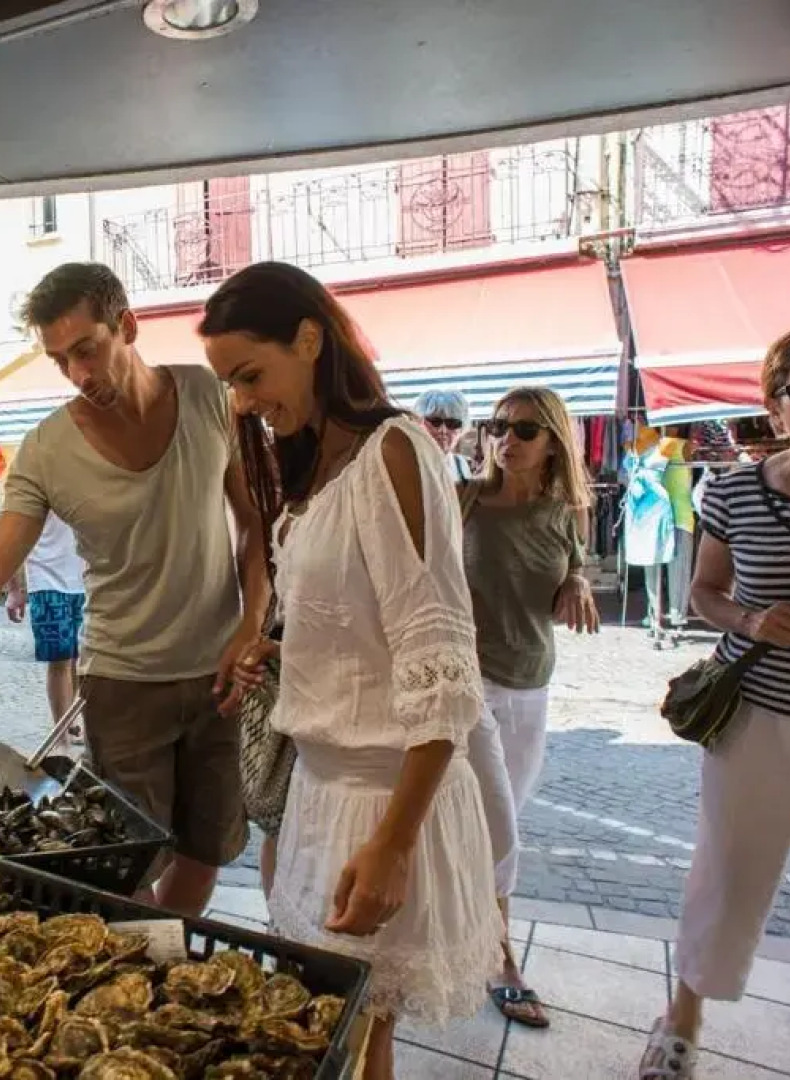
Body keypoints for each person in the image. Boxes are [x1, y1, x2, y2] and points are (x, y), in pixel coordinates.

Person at [0, 262, 270, 918]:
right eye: (59, 361)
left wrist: (251, 626)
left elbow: (256, 523)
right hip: (121, 683)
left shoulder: (208, 396)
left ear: (127, 326)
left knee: (207, 849)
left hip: (218, 678)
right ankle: (145, 956)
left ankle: (170, 951)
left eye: (87, 350)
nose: (78, 374)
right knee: (124, 864)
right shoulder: (47, 449)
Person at [210, 262, 497, 1080]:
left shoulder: (394, 452)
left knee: (354, 1035)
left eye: (250, 375)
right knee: (343, 1036)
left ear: (309, 339)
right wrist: (287, 650)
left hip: (380, 803)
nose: (242, 401)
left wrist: (394, 844)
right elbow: (360, 621)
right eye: (231, 384)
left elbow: (443, 671)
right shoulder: (317, 466)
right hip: (320, 795)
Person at [639, 324, 790, 1080]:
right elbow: (703, 593)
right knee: (727, 871)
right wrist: (752, 620)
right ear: (774, 405)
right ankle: (681, 1018)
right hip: (757, 713)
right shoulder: (731, 491)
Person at [462, 387, 598, 1028]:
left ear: (552, 442)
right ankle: (501, 959)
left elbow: (574, 566)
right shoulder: (463, 500)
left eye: (522, 430)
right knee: (499, 830)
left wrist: (576, 579)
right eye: (497, 427)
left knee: (498, 821)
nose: (505, 440)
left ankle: (468, 934)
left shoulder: (567, 511)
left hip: (530, 684)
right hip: (467, 684)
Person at [7, 512, 88, 731]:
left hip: (85, 580)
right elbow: (15, 534)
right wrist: (14, 589)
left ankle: (69, 719)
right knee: (60, 658)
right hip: (46, 581)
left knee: (78, 657)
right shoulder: (39, 489)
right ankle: (61, 737)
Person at [415, 388, 474, 482]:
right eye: (435, 422)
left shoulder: (462, 464)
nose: (443, 430)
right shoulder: (410, 464)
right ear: (419, 424)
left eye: (452, 423)